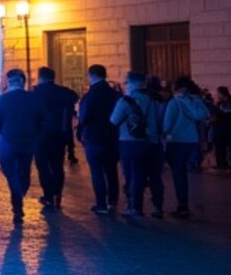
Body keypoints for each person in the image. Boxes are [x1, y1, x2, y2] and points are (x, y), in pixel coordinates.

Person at [110, 71, 166, 218]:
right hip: (154, 142)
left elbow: (114, 121)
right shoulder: (156, 100)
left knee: (133, 175)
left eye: (126, 83)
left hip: (130, 142)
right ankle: (158, 206)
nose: (125, 86)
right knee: (155, 176)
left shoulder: (126, 101)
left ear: (132, 84)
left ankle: (135, 207)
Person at [0, 69, 41, 224]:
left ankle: (17, 203)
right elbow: (40, 118)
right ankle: (20, 192)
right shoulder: (33, 99)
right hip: (27, 141)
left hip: (8, 141)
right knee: (24, 169)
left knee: (10, 171)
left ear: (9, 82)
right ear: (23, 82)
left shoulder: (3, 100)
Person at [28, 67, 77, 212]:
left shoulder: (35, 93)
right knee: (57, 165)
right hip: (60, 133)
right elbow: (74, 98)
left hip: (41, 135)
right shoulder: (64, 92)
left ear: (40, 77)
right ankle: (57, 193)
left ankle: (48, 195)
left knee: (43, 166)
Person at [76, 65, 123, 216]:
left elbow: (84, 117)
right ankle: (113, 200)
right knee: (111, 170)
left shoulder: (89, 96)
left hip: (93, 137)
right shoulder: (114, 94)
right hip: (111, 136)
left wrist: (80, 131)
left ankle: (101, 203)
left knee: (97, 171)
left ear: (90, 76)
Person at [162, 77, 210, 219]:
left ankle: (182, 205)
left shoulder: (175, 102)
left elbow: (167, 125)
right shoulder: (195, 100)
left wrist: (164, 137)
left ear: (177, 87)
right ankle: (184, 205)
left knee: (179, 174)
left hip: (176, 141)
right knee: (184, 172)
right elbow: (204, 115)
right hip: (191, 141)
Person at [213, 85, 231, 171]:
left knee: (221, 148)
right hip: (221, 129)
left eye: (218, 93)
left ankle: (222, 164)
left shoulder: (221, 104)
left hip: (223, 129)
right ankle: (222, 163)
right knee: (220, 148)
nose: (217, 95)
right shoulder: (219, 104)